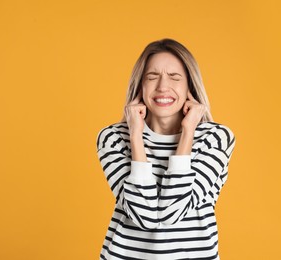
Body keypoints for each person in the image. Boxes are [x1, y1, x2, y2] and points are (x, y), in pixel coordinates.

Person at [96, 38, 236, 260]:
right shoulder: (113, 138)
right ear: (140, 86)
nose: (162, 86)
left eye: (174, 77)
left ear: (190, 85)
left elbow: (173, 211)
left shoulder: (215, 138)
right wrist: (135, 136)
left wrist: (188, 132)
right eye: (152, 77)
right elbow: (144, 217)